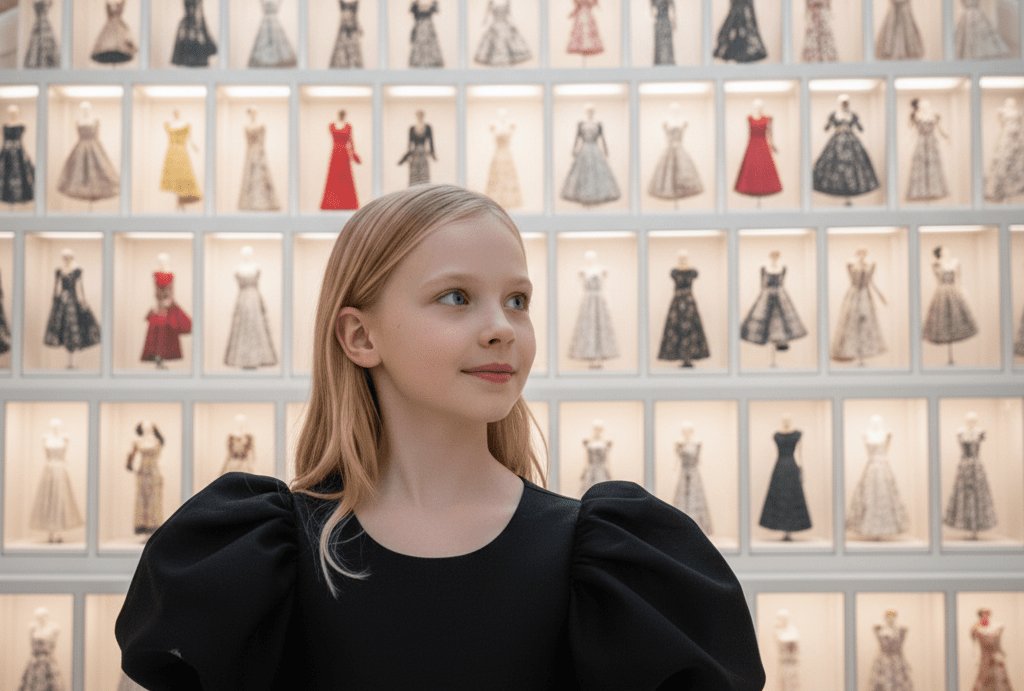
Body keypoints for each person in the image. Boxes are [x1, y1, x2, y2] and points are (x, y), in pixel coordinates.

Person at [116, 184, 764, 689]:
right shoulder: (254, 559)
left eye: (517, 300)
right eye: (456, 297)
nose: (502, 327)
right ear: (360, 336)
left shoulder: (613, 562)